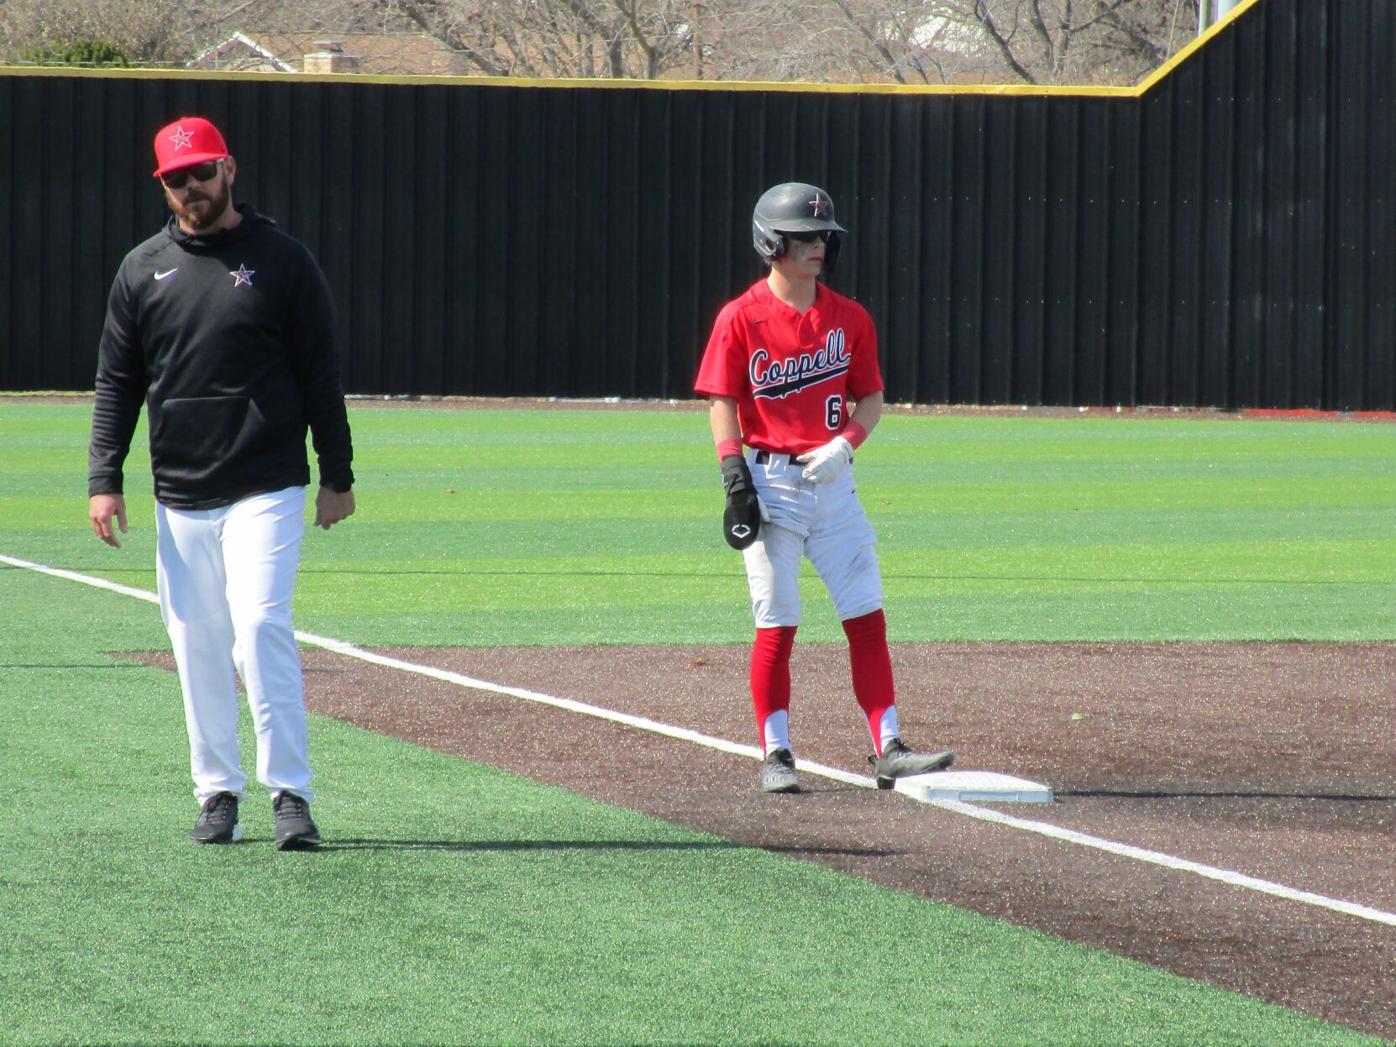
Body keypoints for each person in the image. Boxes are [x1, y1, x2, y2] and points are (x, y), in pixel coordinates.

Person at [87, 116, 355, 848]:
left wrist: (338, 473)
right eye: (177, 178)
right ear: (163, 186)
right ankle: (217, 792)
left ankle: (291, 792)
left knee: (260, 626)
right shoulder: (142, 270)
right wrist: (102, 477)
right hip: (179, 491)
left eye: (202, 172)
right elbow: (118, 382)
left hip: (266, 482)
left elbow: (320, 374)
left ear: (229, 168)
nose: (191, 188)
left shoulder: (282, 261)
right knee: (196, 641)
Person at [693, 181, 954, 794]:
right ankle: (777, 753)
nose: (818, 246)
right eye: (805, 236)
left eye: (822, 237)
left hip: (834, 487)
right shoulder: (741, 317)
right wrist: (733, 474)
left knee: (867, 615)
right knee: (778, 622)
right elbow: (722, 399)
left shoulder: (850, 317)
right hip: (770, 483)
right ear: (771, 242)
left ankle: (889, 745)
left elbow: (871, 396)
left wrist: (847, 444)